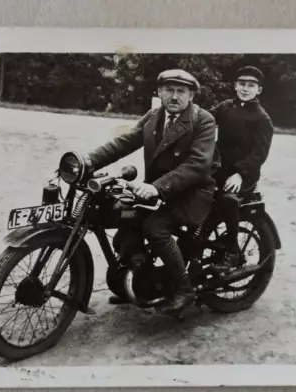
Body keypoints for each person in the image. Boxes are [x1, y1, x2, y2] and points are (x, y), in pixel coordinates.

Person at [84, 69, 217, 315]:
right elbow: (124, 142)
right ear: (159, 92)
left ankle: (184, 289)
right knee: (123, 218)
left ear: (191, 95)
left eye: (181, 91)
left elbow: (197, 164)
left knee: (156, 228)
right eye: (169, 90)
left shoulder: (203, 120)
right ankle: (137, 278)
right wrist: (87, 162)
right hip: (155, 190)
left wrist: (156, 187)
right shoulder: (153, 116)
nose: (174, 96)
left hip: (191, 193)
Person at [207, 66, 274, 272]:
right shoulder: (225, 107)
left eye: (251, 85)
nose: (245, 89)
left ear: (259, 90)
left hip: (243, 175)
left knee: (228, 198)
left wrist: (240, 174)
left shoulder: (262, 118)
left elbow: (259, 154)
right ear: (235, 86)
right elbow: (205, 121)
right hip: (219, 168)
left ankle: (232, 250)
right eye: (242, 84)